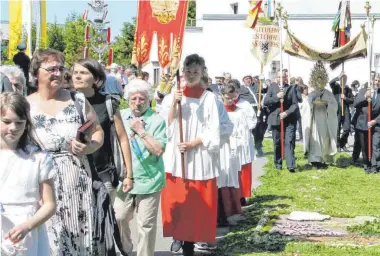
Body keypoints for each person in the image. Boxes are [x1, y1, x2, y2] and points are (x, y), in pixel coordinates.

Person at [26, 48, 118, 255]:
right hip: (42, 184)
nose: (58, 73)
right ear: (36, 72)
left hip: (77, 181)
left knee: (80, 241)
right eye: (51, 68)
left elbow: (97, 131)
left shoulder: (76, 100)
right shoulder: (25, 105)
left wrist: (89, 147)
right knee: (51, 243)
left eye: (61, 68)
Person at [161, 54, 220, 256]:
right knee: (179, 199)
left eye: (196, 71)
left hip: (199, 155)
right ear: (183, 72)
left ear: (202, 72)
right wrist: (173, 104)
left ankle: (191, 241)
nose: (192, 75)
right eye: (189, 71)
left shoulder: (209, 97)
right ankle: (179, 235)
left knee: (196, 203)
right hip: (178, 156)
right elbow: (166, 125)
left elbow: (213, 129)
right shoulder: (174, 95)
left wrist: (193, 143)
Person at [115, 79, 166, 256]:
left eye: (142, 98)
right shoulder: (120, 116)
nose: (137, 102)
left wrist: (141, 131)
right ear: (128, 99)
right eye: (133, 98)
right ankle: (126, 251)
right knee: (119, 217)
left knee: (145, 224)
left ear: (149, 99)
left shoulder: (157, 120)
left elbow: (159, 150)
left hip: (150, 179)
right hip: (125, 178)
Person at [0, 92, 56, 256]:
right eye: (6, 122)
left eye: (19, 123)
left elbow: (49, 204)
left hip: (26, 231)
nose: (13, 128)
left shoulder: (37, 158)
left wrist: (27, 226)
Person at [72, 58, 133, 202]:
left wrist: (129, 174)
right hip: (74, 172)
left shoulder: (108, 103)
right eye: (75, 72)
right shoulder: (66, 101)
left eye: (83, 73)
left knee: (104, 220)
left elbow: (122, 138)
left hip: (103, 173)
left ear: (96, 78)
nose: (77, 76)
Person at [301, 61, 338, 168]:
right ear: (315, 81)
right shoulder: (312, 93)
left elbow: (334, 105)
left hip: (325, 120)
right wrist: (311, 104)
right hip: (314, 120)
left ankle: (323, 159)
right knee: (314, 139)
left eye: (321, 80)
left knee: (324, 138)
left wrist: (327, 104)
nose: (319, 83)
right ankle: (314, 160)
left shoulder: (328, 93)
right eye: (317, 80)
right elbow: (306, 105)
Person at [264, 70, 299, 172]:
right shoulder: (272, 87)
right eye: (279, 77)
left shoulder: (291, 88)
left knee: (289, 141)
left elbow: (295, 104)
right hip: (276, 118)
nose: (281, 79)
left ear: (286, 78)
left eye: (283, 77)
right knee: (278, 142)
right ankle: (278, 164)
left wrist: (287, 112)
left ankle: (290, 165)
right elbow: (266, 102)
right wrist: (277, 97)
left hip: (289, 119)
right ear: (277, 78)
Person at [229, 79, 257, 205]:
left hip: (243, 141)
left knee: (243, 169)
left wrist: (242, 127)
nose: (232, 97)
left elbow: (252, 121)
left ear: (239, 92)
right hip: (229, 141)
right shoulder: (222, 104)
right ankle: (232, 195)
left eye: (234, 93)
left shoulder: (245, 104)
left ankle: (243, 195)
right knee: (231, 169)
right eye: (230, 94)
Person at [354, 73, 380, 173]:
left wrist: (375, 121)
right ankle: (366, 164)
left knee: (375, 145)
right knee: (364, 146)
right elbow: (355, 103)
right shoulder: (363, 90)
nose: (377, 82)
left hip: (375, 123)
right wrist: (365, 97)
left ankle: (375, 165)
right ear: (372, 80)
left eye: (379, 80)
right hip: (363, 123)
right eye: (376, 80)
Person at [329, 72, 354, 151]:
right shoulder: (336, 87)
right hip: (337, 110)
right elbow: (331, 82)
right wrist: (338, 76)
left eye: (345, 79)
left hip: (345, 110)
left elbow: (352, 100)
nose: (344, 80)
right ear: (340, 80)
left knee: (347, 129)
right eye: (342, 79)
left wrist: (346, 98)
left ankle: (343, 143)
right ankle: (338, 145)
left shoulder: (348, 89)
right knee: (337, 129)